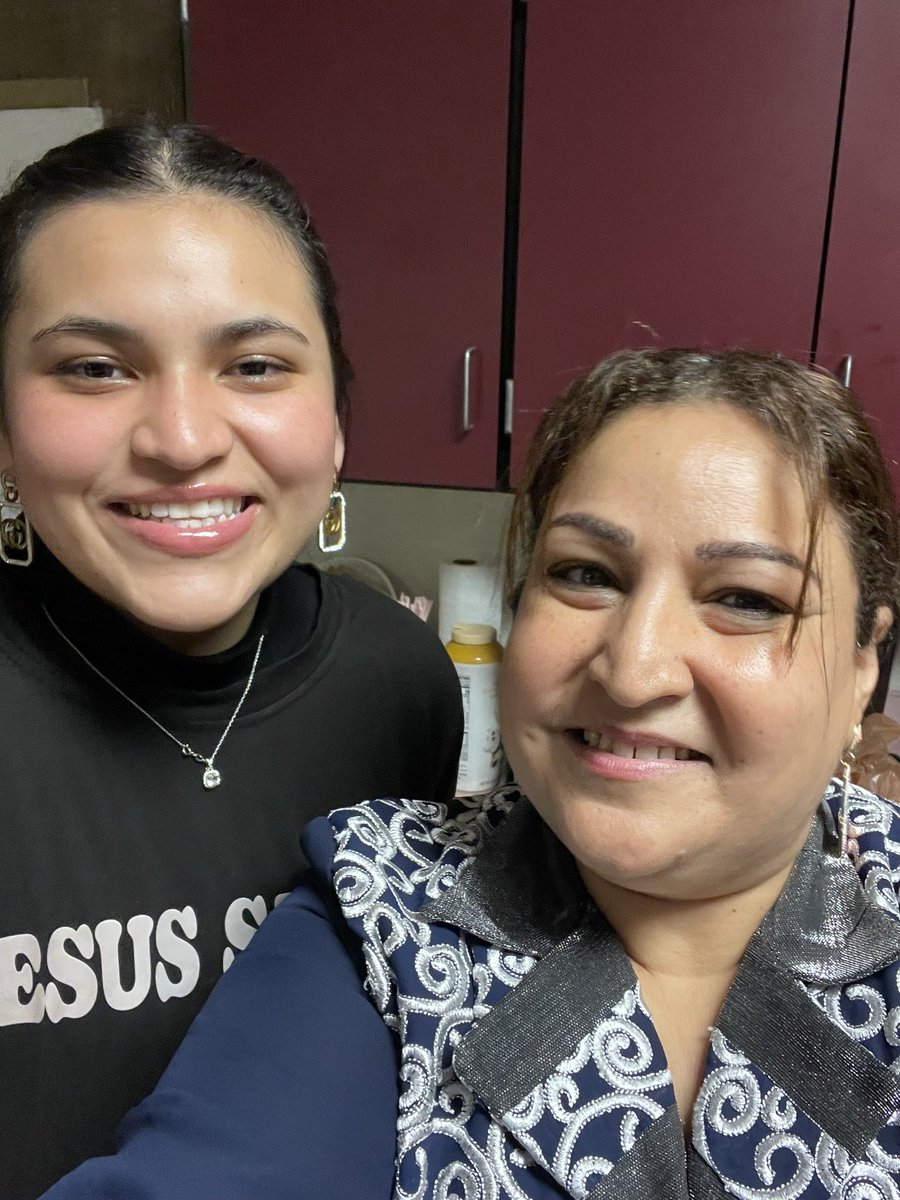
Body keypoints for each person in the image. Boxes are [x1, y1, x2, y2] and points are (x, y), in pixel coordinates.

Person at [42, 348, 900, 1199]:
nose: (634, 670)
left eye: (746, 599)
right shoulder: (384, 913)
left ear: (864, 663)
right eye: (585, 575)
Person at [0, 120, 463, 1198]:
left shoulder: (400, 684)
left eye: (253, 365)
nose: (180, 436)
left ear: (337, 414)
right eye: (95, 367)